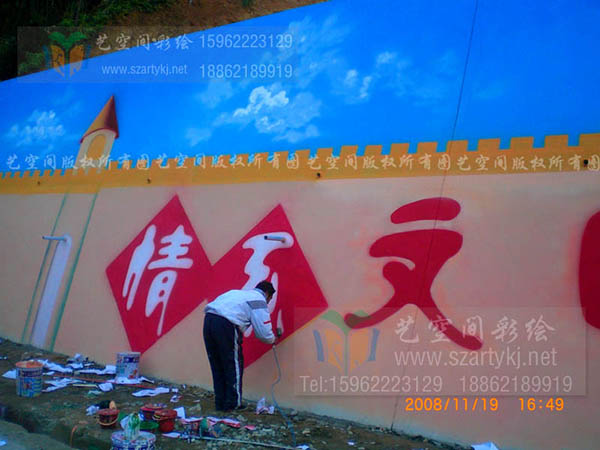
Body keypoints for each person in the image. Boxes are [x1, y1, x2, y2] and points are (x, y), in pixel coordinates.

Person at [203, 280, 277, 411]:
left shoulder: (237, 294)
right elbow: (263, 333)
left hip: (209, 320)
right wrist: (273, 339)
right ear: (267, 294)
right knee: (233, 365)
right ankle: (233, 403)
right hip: (226, 324)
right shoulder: (259, 300)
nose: (268, 303)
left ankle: (220, 403)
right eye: (270, 299)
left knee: (217, 364)